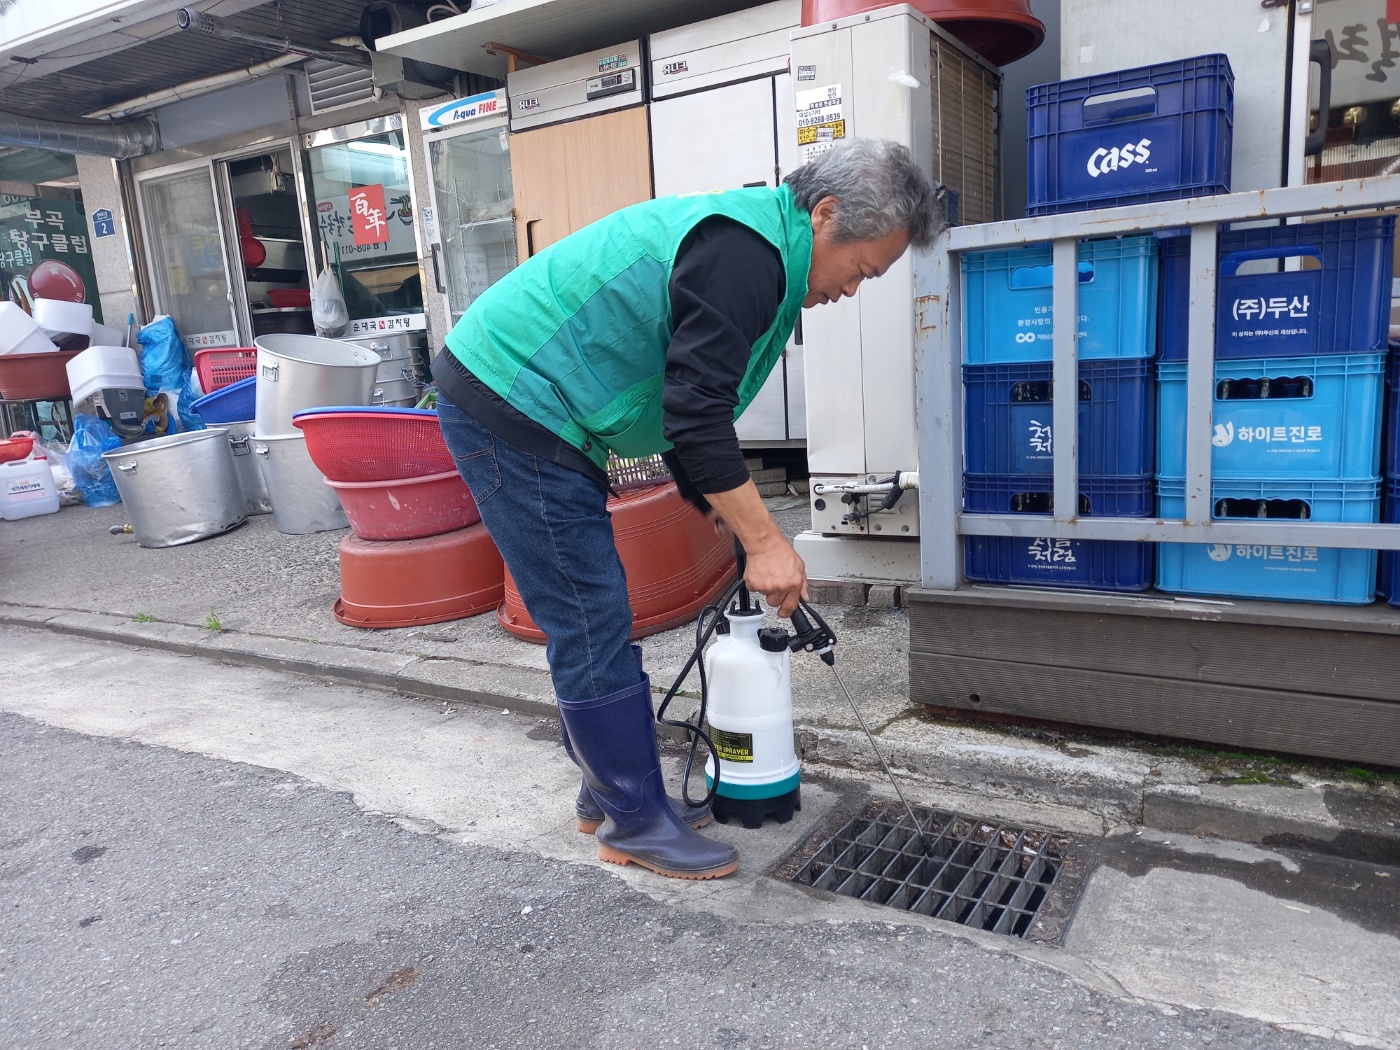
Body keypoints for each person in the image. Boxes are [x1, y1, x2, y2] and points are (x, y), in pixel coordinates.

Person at [433, 138, 947, 881]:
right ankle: (632, 821)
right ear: (826, 214)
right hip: (510, 398)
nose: (853, 290)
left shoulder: (759, 244)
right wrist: (767, 541)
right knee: (589, 610)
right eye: (862, 269)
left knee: (593, 609)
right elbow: (696, 414)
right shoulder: (748, 256)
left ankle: (607, 791)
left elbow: (687, 403)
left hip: (540, 403)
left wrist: (735, 526)